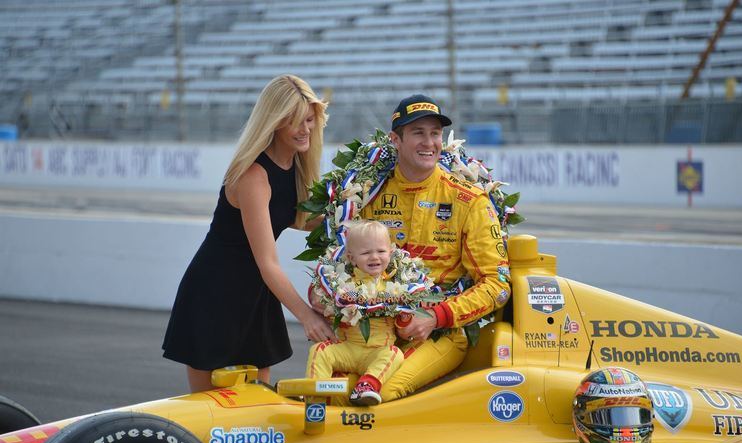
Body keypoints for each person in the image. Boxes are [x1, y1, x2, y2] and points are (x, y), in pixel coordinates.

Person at [314, 94, 511, 402]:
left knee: (385, 391)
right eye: (418, 132)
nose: (429, 142)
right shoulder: (365, 194)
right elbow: (340, 259)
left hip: (437, 332)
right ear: (396, 139)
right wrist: (324, 292)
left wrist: (436, 317)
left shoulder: (469, 200)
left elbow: (497, 284)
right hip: (371, 331)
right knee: (333, 388)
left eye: (435, 133)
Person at [162, 75, 336, 392]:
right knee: (211, 416)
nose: (305, 129)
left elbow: (300, 221)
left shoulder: (295, 169)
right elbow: (268, 262)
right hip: (215, 295)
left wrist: (353, 206)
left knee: (255, 415)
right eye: (295, 121)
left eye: (309, 120)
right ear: (274, 123)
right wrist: (307, 316)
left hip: (256, 294)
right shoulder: (253, 175)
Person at [306, 221, 404, 406]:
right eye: (366, 253)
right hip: (348, 349)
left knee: (394, 354)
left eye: (381, 252)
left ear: (390, 253)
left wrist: (406, 314)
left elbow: (404, 322)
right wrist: (325, 305)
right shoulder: (344, 283)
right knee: (320, 351)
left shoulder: (398, 286)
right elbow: (325, 302)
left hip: (377, 352)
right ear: (351, 258)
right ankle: (313, 396)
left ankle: (367, 387)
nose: (374, 257)